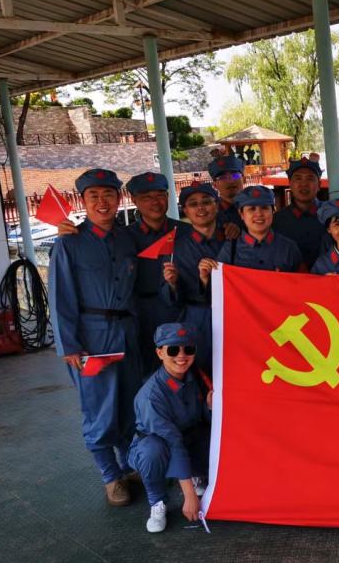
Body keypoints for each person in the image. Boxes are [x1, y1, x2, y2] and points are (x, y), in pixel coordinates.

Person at [48, 168, 143, 507]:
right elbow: (60, 296)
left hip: (127, 333)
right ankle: (110, 477)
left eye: (108, 195)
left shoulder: (127, 238)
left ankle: (131, 468)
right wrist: (69, 345)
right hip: (92, 338)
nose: (102, 203)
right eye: (94, 196)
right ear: (82, 201)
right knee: (99, 410)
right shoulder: (69, 242)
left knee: (131, 406)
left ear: (120, 199)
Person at [128, 323, 211, 534]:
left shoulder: (195, 376)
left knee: (214, 440)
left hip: (189, 437)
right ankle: (157, 501)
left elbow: (202, 418)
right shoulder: (151, 395)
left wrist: (209, 407)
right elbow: (173, 441)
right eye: (173, 350)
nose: (181, 356)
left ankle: (196, 474)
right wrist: (189, 495)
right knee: (152, 452)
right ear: (160, 353)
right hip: (161, 443)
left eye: (188, 349)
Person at [162, 182, 224, 374]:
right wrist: (172, 284)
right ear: (185, 211)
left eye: (206, 202)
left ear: (217, 205)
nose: (201, 208)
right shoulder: (176, 248)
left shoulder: (233, 239)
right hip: (196, 316)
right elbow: (171, 300)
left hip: (230, 314)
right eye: (193, 204)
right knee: (200, 370)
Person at [125, 172, 179, 372]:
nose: (155, 202)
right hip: (139, 315)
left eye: (160, 195)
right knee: (144, 372)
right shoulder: (123, 236)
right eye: (147, 197)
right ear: (134, 200)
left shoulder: (184, 231)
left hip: (178, 311)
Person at [213, 185, 302, 273]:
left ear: (273, 211)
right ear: (241, 214)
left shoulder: (289, 248)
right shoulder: (230, 250)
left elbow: (303, 280)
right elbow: (219, 280)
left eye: (264, 208)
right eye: (252, 209)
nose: (259, 214)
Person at [273, 156, 326, 270]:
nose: (304, 184)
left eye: (310, 179)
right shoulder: (276, 221)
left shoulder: (331, 216)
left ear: (319, 185)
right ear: (290, 184)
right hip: (290, 279)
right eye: (298, 178)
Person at [207, 155, 245, 239]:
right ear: (214, 185)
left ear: (244, 179)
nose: (230, 181)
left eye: (235, 175)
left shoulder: (257, 206)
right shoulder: (209, 214)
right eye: (223, 177)